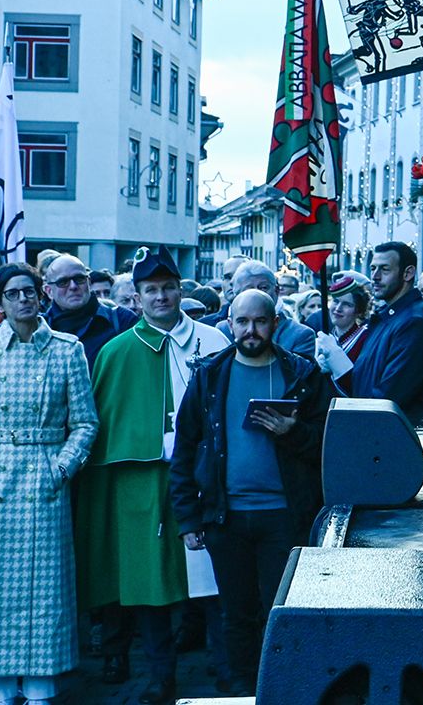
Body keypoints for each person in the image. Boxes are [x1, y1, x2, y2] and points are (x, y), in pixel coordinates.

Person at [74, 247, 230, 703]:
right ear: (137, 298)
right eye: (151, 290)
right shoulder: (116, 351)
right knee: (149, 584)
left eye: (168, 287)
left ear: (181, 289)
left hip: (207, 481)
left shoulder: (215, 341)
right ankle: (161, 676)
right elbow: (102, 422)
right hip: (141, 483)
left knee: (215, 578)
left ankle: (227, 669)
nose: (161, 296)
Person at [0, 263, 98, 705]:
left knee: (42, 590)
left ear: (42, 295)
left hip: (43, 479)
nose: (23, 300)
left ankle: (39, 687)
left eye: (29, 291)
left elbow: (85, 423)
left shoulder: (67, 349)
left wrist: (62, 468)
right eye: (12, 293)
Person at [169, 289, 333, 693]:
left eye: (259, 321)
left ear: (274, 323)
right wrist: (188, 517)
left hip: (284, 515)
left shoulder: (302, 374)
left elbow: (330, 444)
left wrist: (294, 433)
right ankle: (241, 690)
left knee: (281, 611)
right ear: (229, 323)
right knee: (235, 612)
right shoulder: (209, 375)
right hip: (226, 517)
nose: (251, 330)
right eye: (242, 322)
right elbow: (186, 448)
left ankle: (286, 689)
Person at [347, 243, 423, 420]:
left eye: (385, 269)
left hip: (392, 433)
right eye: (373, 268)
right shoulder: (387, 318)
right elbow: (366, 379)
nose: (375, 277)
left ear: (408, 273)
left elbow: (391, 394)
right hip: (371, 426)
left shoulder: (415, 323)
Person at [42, 254, 137, 367]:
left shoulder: (122, 320)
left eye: (79, 279)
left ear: (89, 282)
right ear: (49, 291)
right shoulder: (40, 328)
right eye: (63, 282)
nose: (73, 286)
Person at [327, 281, 374, 365]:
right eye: (336, 301)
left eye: (347, 304)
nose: (338, 308)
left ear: (359, 311)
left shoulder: (365, 340)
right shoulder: (326, 338)